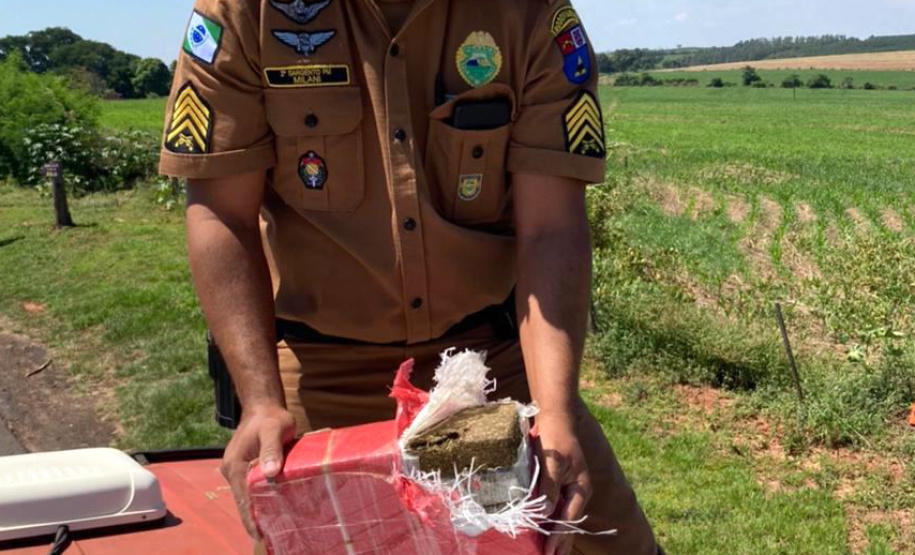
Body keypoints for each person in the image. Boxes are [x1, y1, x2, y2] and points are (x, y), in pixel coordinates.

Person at [160, 0, 660, 553]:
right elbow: (222, 213)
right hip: (323, 372)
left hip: (491, 365)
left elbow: (551, 229)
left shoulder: (529, 14)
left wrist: (556, 409)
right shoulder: (243, 12)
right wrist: (258, 400)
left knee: (613, 541)